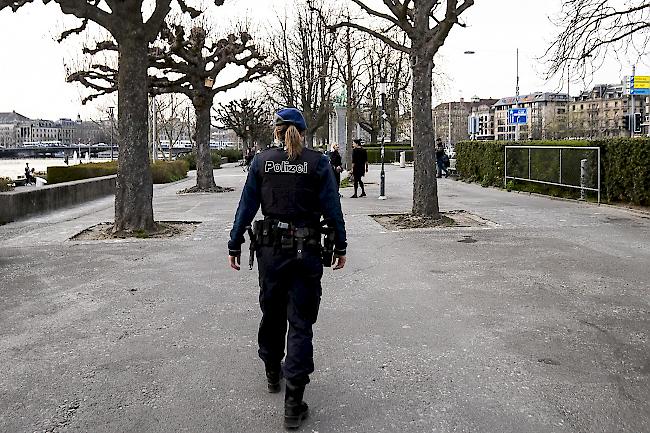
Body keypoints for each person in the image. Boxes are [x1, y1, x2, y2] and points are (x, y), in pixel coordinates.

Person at [227, 107, 347, 430]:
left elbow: (247, 204)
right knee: (301, 322)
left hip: (271, 253)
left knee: (272, 312)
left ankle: (271, 370)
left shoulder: (261, 161)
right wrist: (341, 246)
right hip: (305, 253)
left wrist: (234, 242)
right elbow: (332, 208)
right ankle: (293, 403)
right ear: (302, 133)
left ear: (277, 131)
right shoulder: (318, 163)